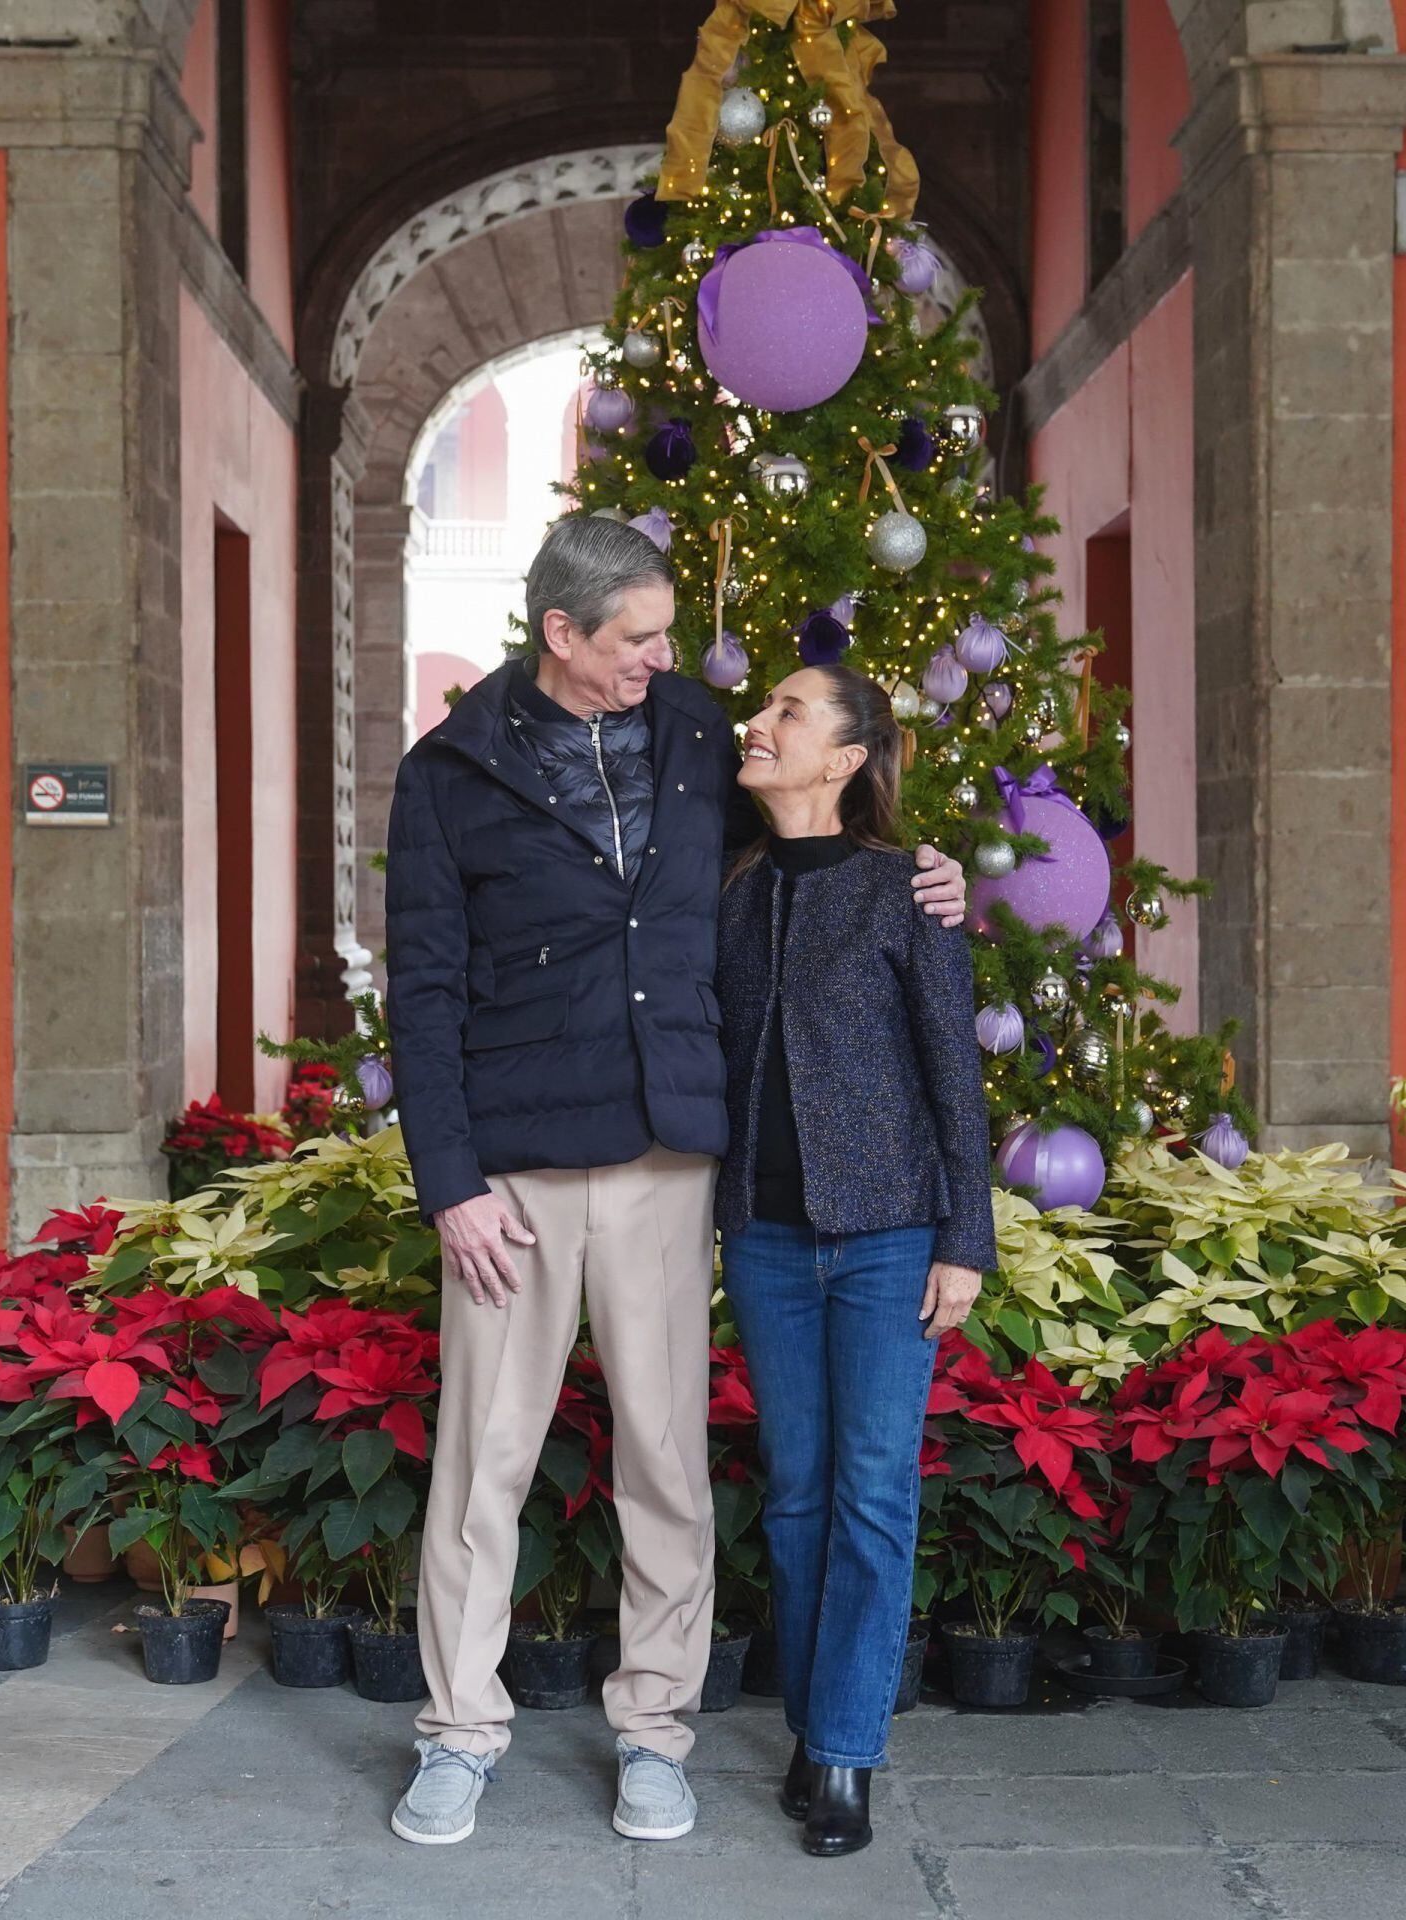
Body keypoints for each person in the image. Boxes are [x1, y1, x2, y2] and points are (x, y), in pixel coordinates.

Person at [383, 515, 966, 1847]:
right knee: (483, 1463)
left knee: (663, 1462)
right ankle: (459, 1734)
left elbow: (814, 852)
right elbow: (418, 995)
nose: (664, 657)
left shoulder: (702, 736)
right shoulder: (449, 773)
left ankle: (654, 1729)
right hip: (509, 1174)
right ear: (562, 636)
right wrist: (451, 1184)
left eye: (661, 635)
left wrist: (920, 872)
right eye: (636, 637)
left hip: (663, 1157)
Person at [714, 664, 997, 1859]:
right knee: (794, 1495)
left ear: (842, 758)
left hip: (887, 1236)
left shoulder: (903, 892)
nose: (758, 721)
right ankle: (821, 1716)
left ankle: (842, 1752)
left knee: (873, 1497)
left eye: (786, 710)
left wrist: (964, 1240)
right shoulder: (724, 886)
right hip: (767, 1238)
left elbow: (953, 1069)